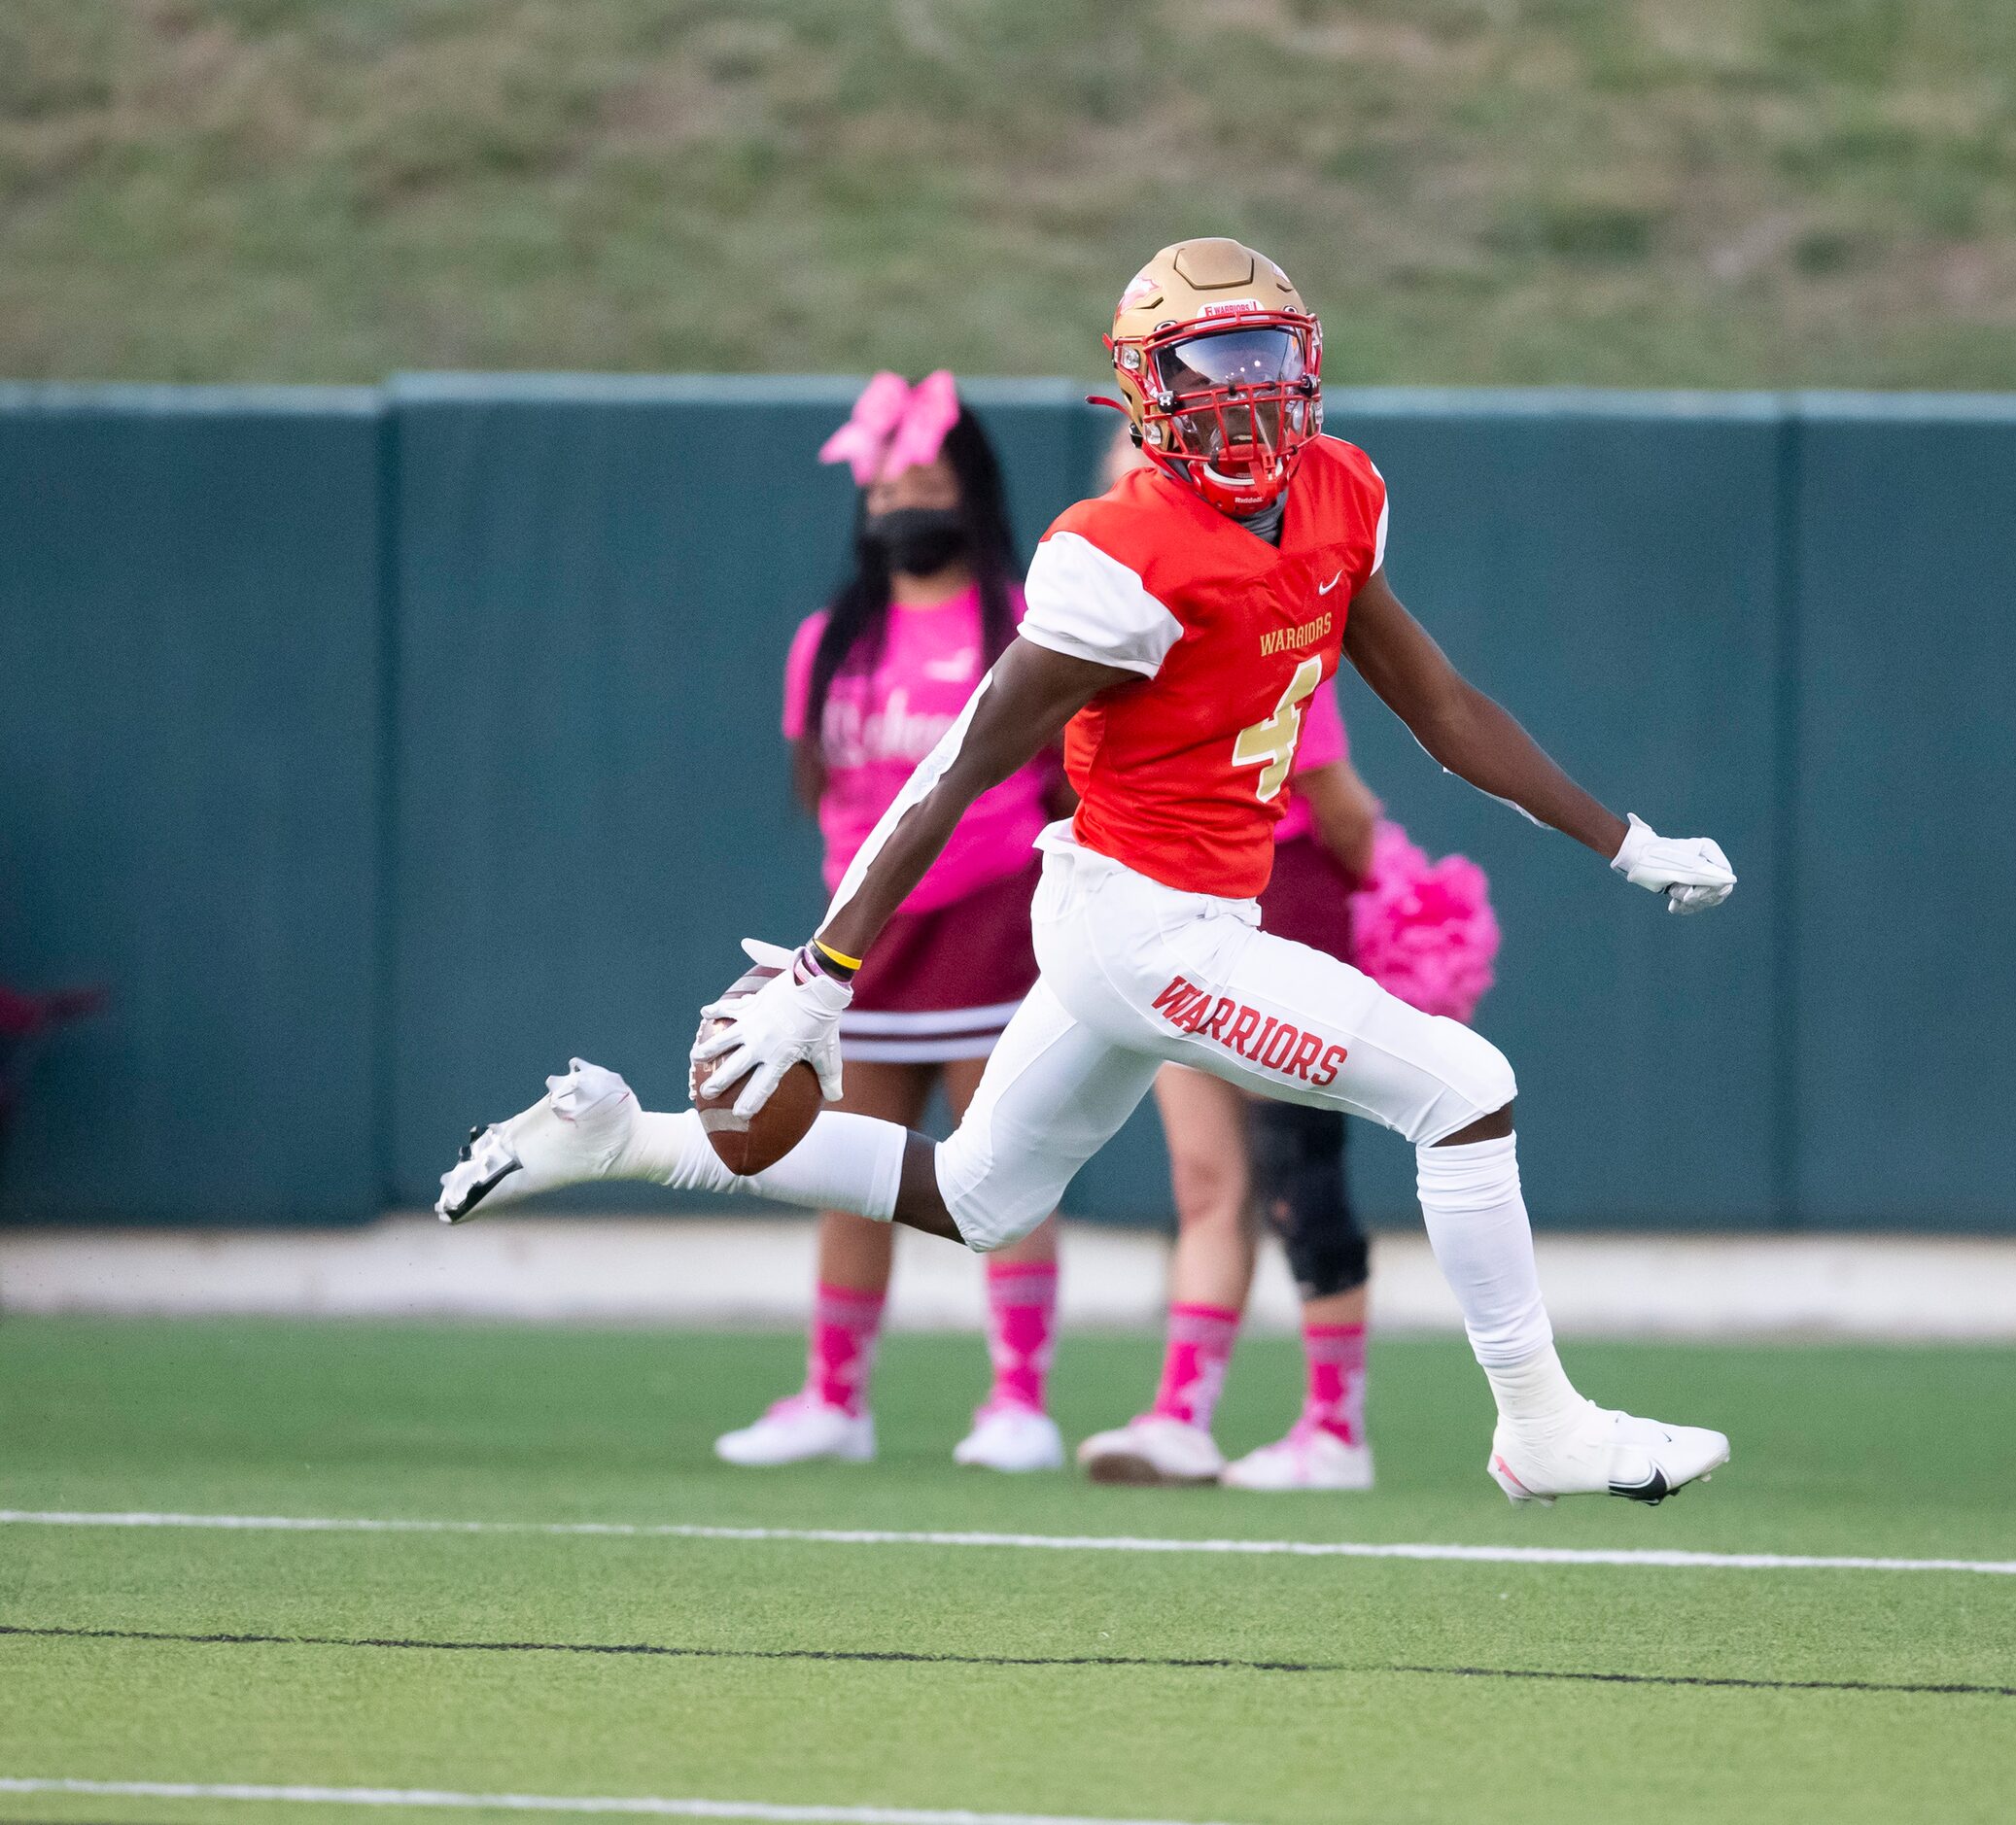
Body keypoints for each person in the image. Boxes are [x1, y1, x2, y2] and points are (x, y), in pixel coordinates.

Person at [437, 236, 1739, 1507]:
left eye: (1258, 353)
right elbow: (952, 767)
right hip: (1144, 930)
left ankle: (623, 1139)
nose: (1236, 393)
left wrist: (1623, 840)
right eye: (1203, 362)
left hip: (1165, 912)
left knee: (980, 1195)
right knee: (1467, 1087)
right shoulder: (1121, 554)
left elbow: (1441, 707)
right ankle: (1539, 1422)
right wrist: (823, 972)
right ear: (1142, 391)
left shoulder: (1341, 491)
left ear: (1308, 361)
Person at [709, 370, 1075, 1475]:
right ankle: (834, 1399)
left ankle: (1018, 1401)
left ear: (972, 491)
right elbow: (827, 791)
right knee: (839, 1163)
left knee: (997, 1173)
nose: (903, 505)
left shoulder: (1024, 624)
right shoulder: (829, 641)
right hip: (862, 947)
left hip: (994, 931)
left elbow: (1060, 779)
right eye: (884, 490)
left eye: (926, 481)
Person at [1077, 677, 1396, 1491]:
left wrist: (1390, 905)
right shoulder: (1142, 652)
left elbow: (1343, 808)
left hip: (1283, 900)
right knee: (1205, 1178)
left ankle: (1334, 1431)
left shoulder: (1283, 650)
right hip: (1176, 908)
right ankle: (1181, 1417)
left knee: (1300, 1168)